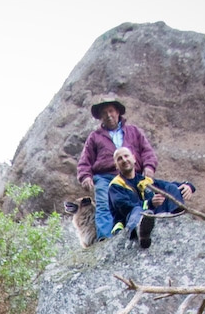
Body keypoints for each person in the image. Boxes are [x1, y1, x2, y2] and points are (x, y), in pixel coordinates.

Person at [77, 97, 158, 240]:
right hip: (105, 177)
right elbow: (85, 160)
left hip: (131, 176)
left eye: (111, 111)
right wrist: (85, 176)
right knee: (104, 204)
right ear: (100, 117)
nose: (108, 115)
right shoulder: (94, 137)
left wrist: (149, 166)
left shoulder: (133, 131)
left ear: (118, 112)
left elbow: (147, 151)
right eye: (104, 113)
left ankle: (139, 228)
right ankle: (105, 239)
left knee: (138, 202)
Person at [108, 146, 195, 249]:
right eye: (119, 159)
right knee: (138, 210)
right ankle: (142, 233)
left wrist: (188, 186)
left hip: (151, 215)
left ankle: (177, 215)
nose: (124, 160)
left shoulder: (145, 180)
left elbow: (168, 185)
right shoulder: (115, 185)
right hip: (129, 221)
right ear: (116, 166)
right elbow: (125, 207)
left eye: (126, 156)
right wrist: (150, 203)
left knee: (171, 188)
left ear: (134, 158)